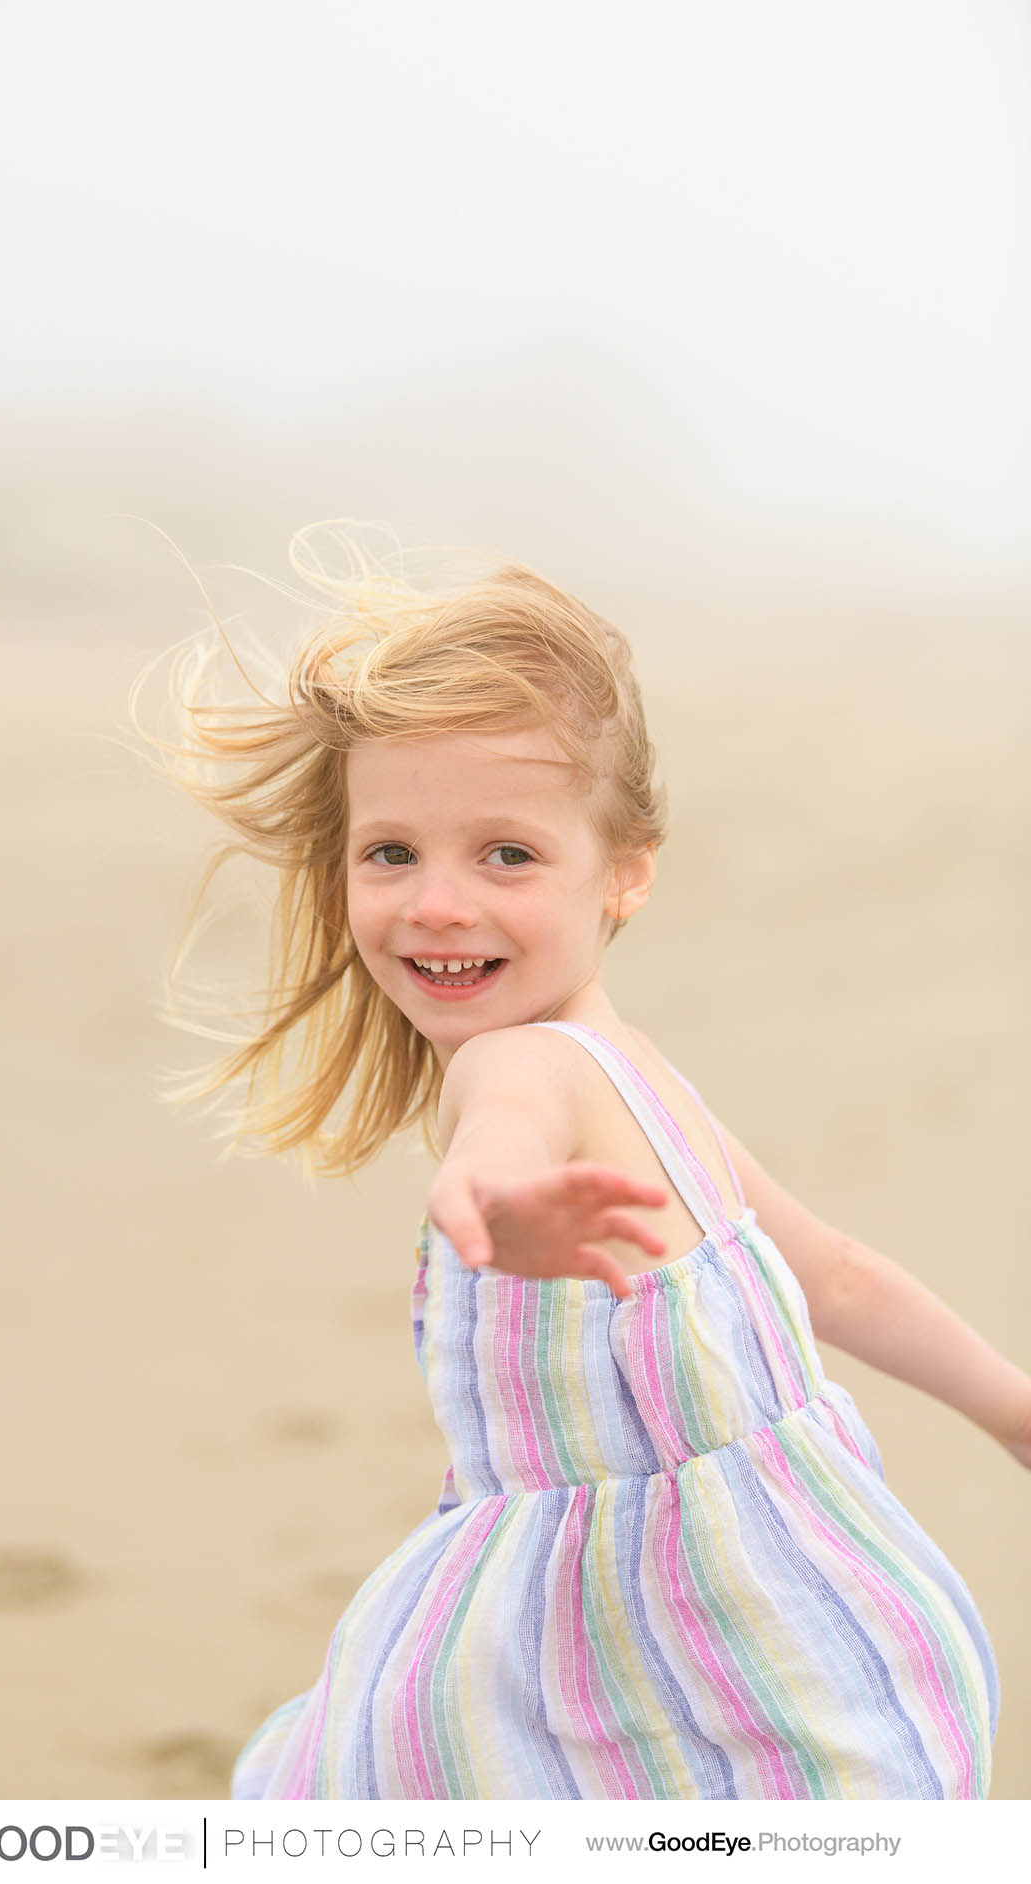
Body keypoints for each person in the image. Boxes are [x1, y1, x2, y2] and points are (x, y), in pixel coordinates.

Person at [137, 524, 1027, 1801]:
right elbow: (803, 1259)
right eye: (392, 852)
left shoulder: (552, 1067)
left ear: (625, 873)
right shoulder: (583, 1068)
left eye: (507, 853)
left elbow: (810, 1265)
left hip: (669, 1638)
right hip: (728, 1620)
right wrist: (1008, 1405)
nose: (438, 901)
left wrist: (497, 1209)